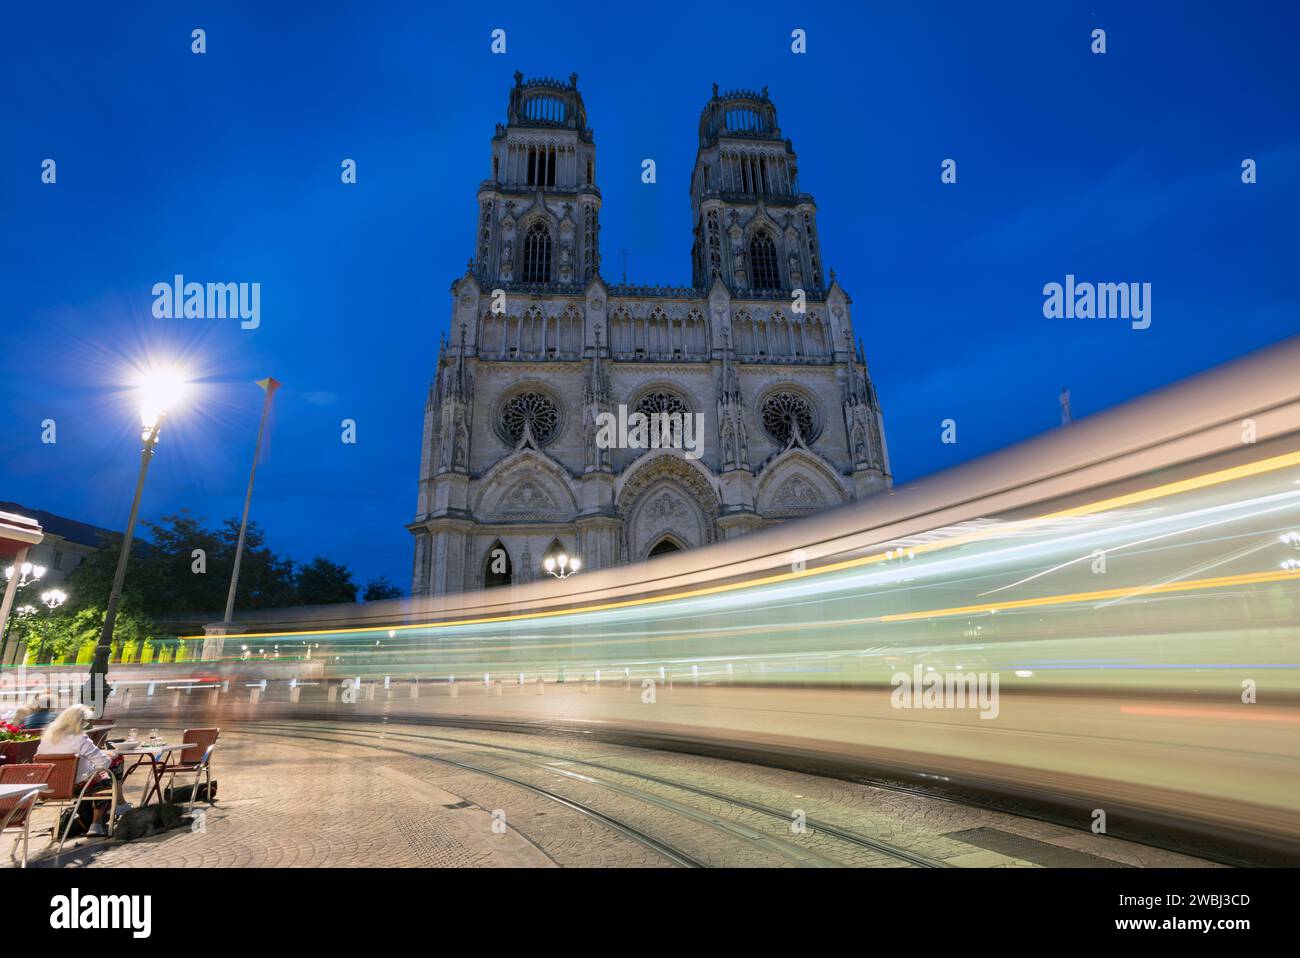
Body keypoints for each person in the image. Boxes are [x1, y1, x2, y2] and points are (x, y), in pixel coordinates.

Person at [36, 704, 123, 837]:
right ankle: (97, 823)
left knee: (97, 774)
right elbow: (104, 763)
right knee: (109, 771)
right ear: (81, 723)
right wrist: (110, 757)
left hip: (52, 788)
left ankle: (114, 807)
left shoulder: (46, 739)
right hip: (76, 787)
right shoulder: (79, 739)